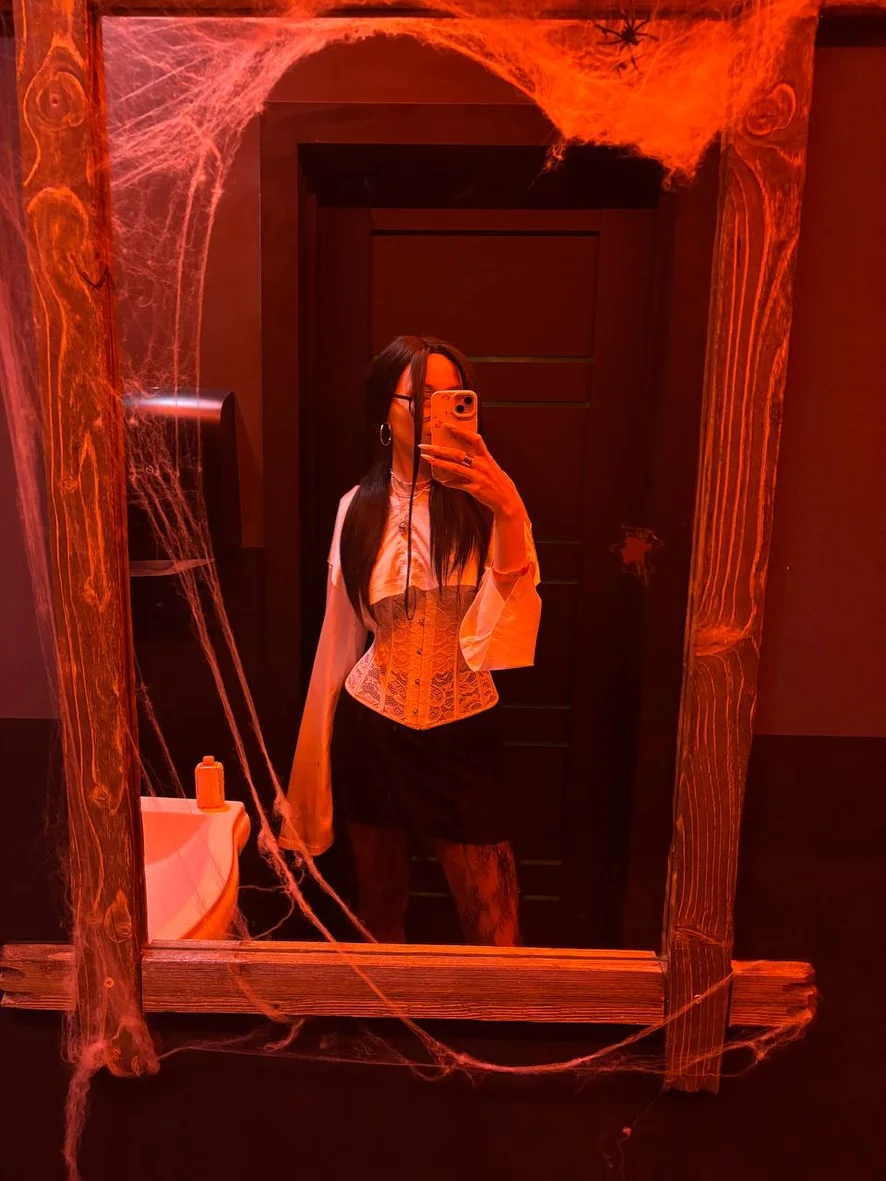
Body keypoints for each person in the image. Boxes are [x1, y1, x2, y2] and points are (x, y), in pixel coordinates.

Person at [279, 335, 542, 945]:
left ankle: (490, 1010)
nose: (434, 412)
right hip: (373, 732)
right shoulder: (356, 508)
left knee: (495, 924)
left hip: (463, 734)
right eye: (420, 398)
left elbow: (508, 638)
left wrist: (506, 509)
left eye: (452, 398)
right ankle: (388, 1009)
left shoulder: (490, 502)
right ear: (386, 409)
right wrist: (309, 783)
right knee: (379, 907)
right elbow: (338, 638)